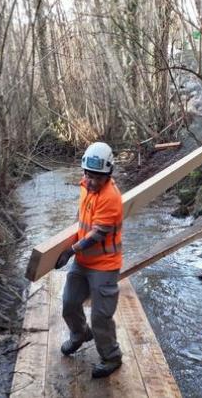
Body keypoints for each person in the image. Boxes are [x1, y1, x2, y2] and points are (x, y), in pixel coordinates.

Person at [54, 141, 124, 378]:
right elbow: (81, 219)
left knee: (100, 317)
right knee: (69, 303)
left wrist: (70, 250)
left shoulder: (111, 198)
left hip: (104, 265)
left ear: (108, 175)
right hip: (83, 262)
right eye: (88, 175)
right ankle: (80, 334)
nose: (91, 181)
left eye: (97, 177)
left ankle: (111, 356)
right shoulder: (85, 186)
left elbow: (98, 234)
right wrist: (65, 241)